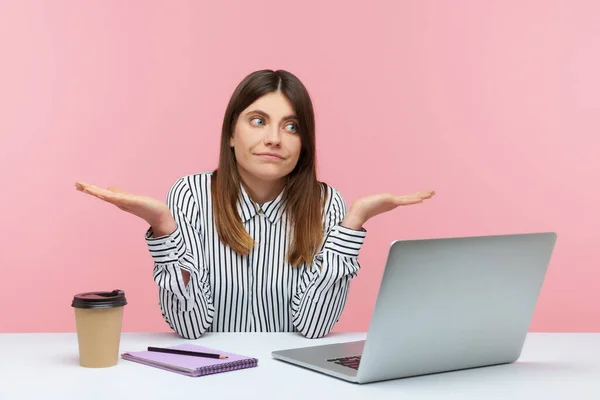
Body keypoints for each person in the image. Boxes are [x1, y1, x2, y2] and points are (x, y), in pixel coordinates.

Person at [75, 69, 435, 339]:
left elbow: (313, 327)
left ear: (304, 143)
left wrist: (352, 224)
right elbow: (190, 327)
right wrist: (165, 229)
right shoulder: (190, 195)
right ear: (232, 134)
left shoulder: (327, 204)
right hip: (208, 380)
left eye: (292, 126)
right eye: (258, 121)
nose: (274, 139)